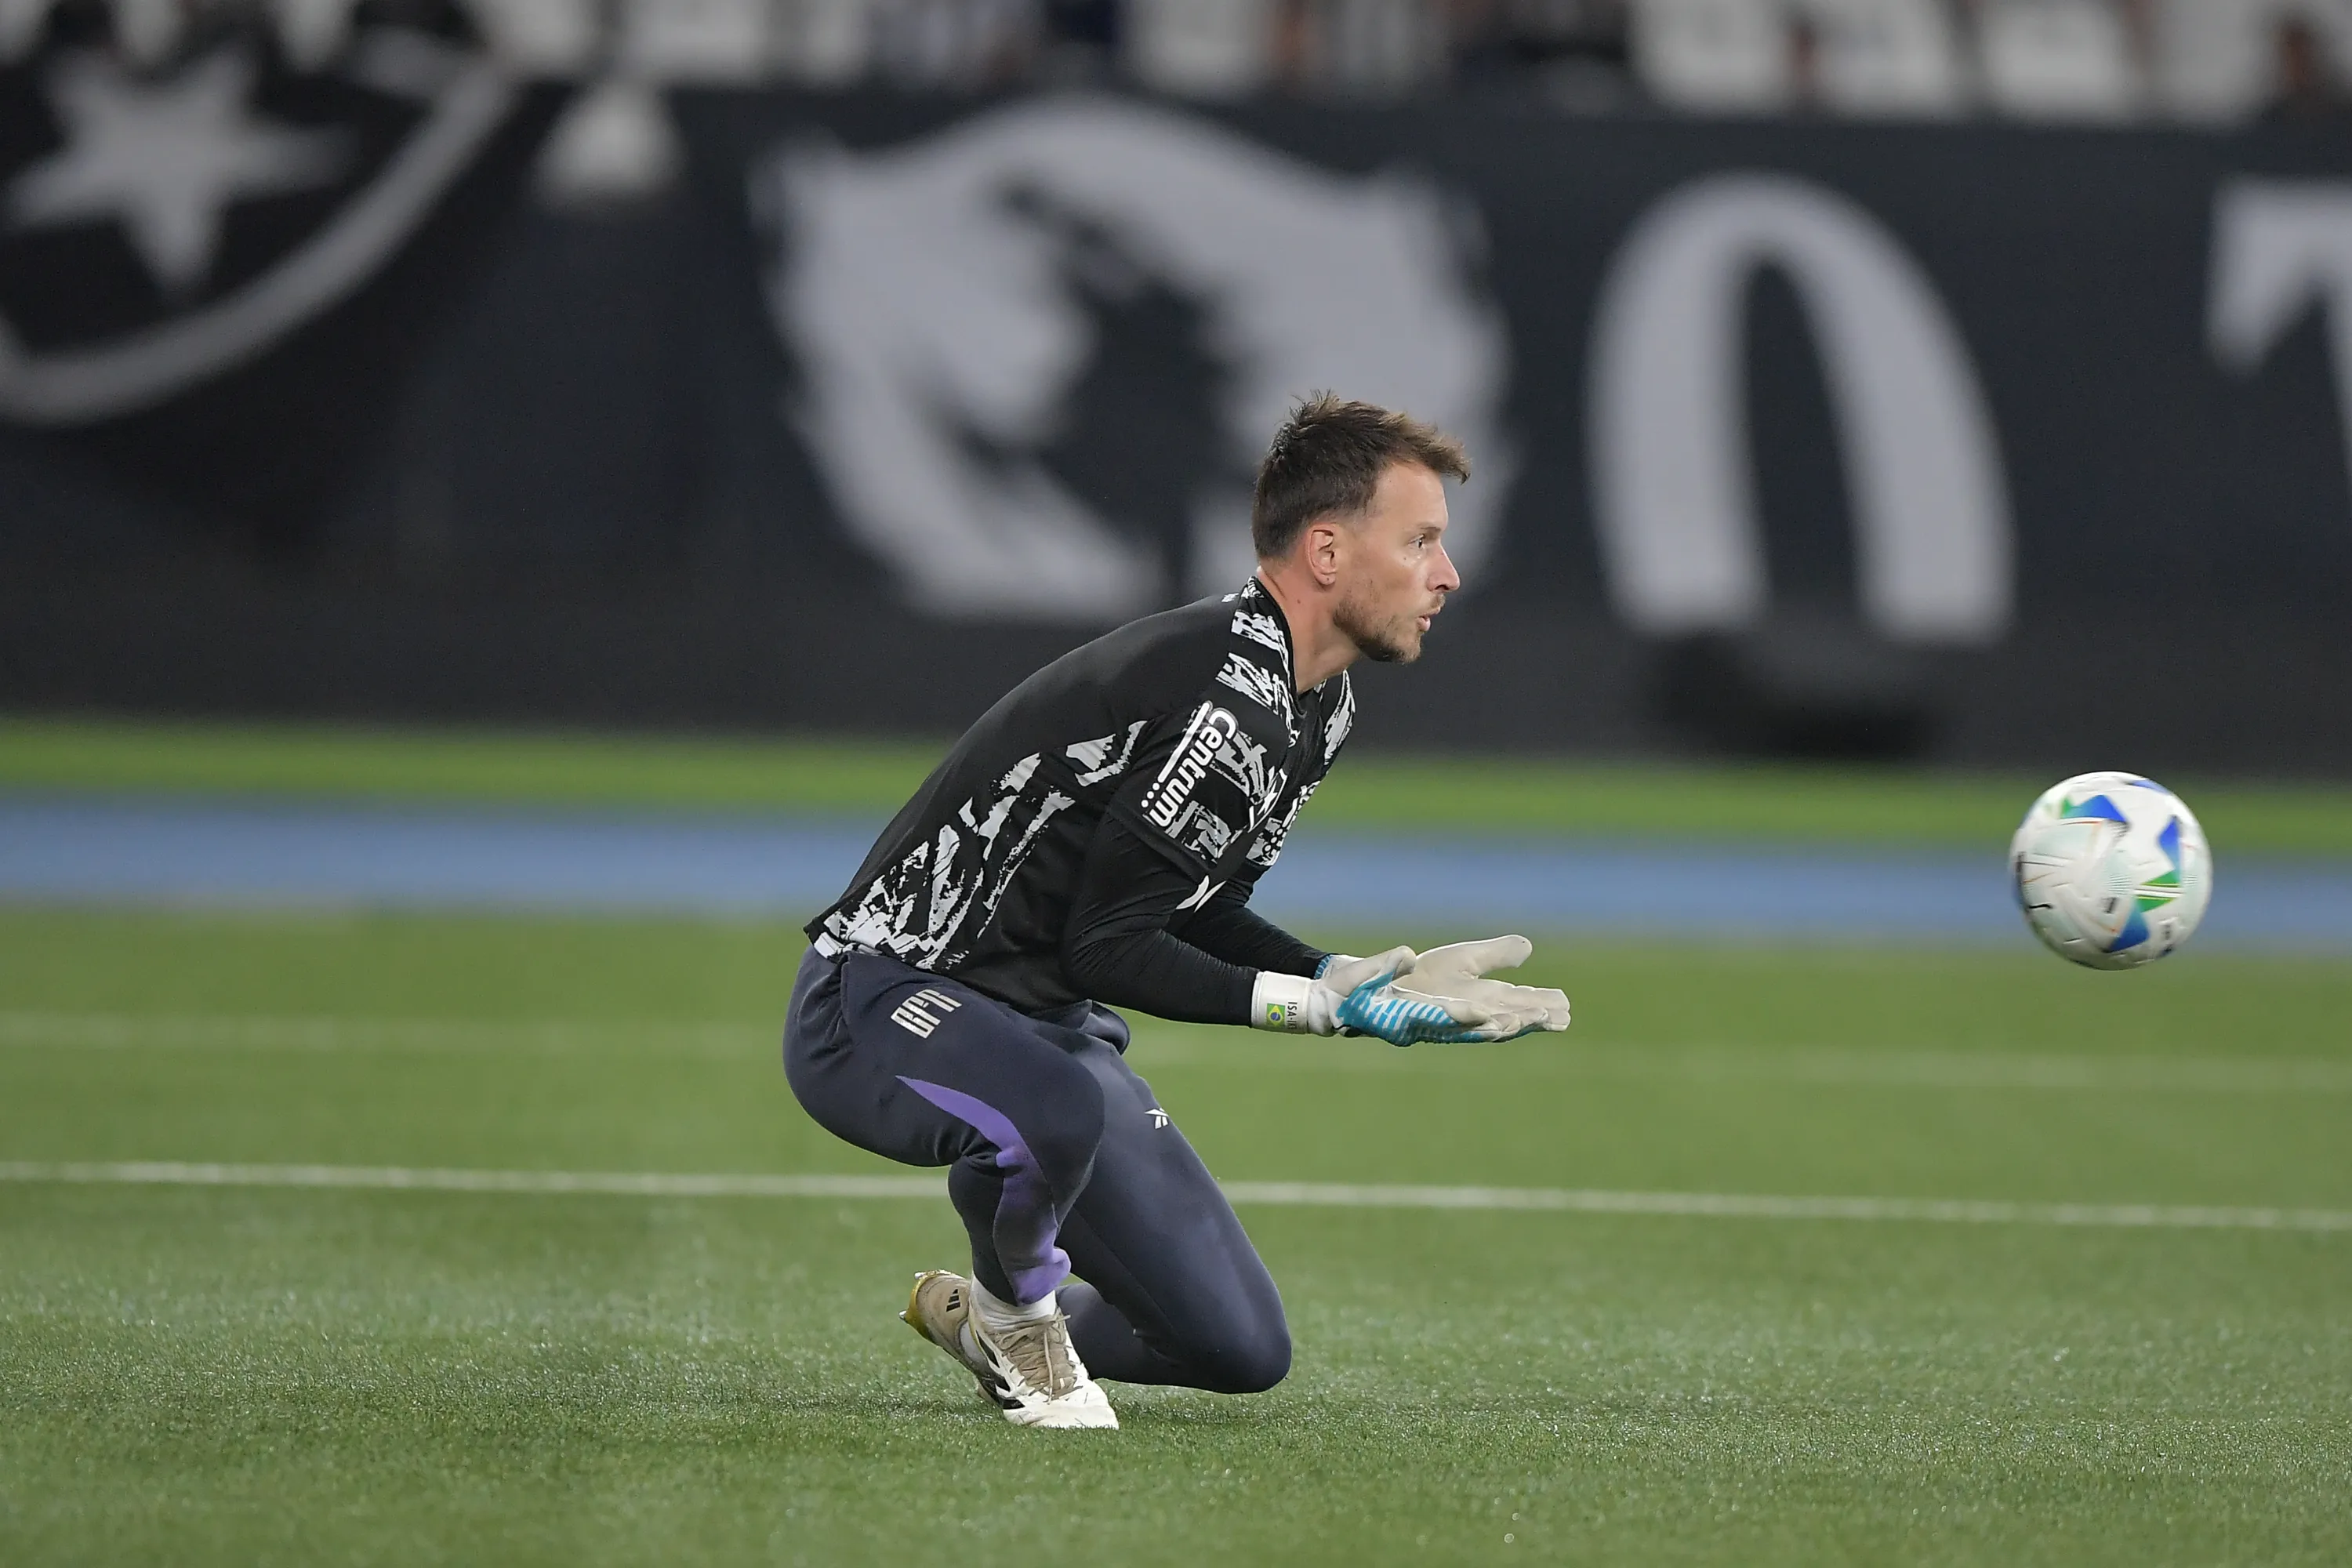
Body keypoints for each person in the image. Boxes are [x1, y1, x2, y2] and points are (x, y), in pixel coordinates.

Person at [782, 394, 1572, 1430]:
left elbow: (1186, 907)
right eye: (1420, 540)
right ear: (1327, 551)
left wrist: (1338, 975)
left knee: (1237, 1347)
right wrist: (1316, 1008)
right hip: (884, 995)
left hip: (1040, 1033)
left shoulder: (1313, 705)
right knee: (1051, 1110)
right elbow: (1107, 949)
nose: (1447, 574)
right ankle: (1020, 1324)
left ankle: (982, 1319)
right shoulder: (1223, 694)